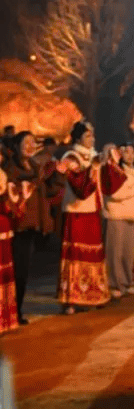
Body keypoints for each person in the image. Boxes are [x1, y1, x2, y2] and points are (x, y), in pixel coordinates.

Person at [5, 131, 64, 324]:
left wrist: (58, 174)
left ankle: (17, 310)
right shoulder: (10, 168)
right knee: (13, 271)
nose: (30, 146)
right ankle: (10, 311)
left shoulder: (36, 168)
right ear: (17, 146)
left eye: (33, 142)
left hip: (32, 224)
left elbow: (49, 193)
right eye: (26, 142)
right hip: (15, 225)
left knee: (23, 271)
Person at [57, 122, 109, 314]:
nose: (92, 139)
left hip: (93, 211)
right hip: (77, 212)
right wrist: (93, 168)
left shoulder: (94, 156)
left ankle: (92, 295)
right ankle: (72, 299)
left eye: (93, 135)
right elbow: (81, 188)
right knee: (76, 255)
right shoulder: (72, 157)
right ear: (78, 138)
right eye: (88, 136)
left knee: (92, 254)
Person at [100, 143, 134, 298]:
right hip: (116, 215)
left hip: (131, 214)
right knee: (115, 252)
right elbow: (116, 193)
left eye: (133, 152)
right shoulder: (113, 170)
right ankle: (114, 284)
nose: (130, 155)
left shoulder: (133, 171)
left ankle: (126, 281)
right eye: (126, 152)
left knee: (127, 253)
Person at [0, 167, 33, 333]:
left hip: (5, 233)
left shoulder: (5, 178)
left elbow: (15, 213)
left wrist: (21, 199)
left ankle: (5, 319)